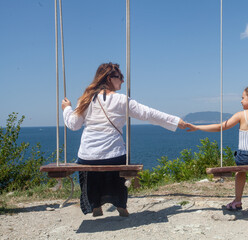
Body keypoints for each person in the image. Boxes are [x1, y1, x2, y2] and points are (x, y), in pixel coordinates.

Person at [62, 62, 186, 217]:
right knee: (118, 159)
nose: (122, 81)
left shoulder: (86, 99)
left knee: (89, 165)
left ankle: (95, 204)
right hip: (114, 157)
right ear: (109, 78)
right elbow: (148, 113)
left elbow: (73, 125)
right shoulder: (122, 100)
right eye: (119, 77)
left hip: (88, 157)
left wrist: (66, 108)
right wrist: (176, 121)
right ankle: (120, 203)